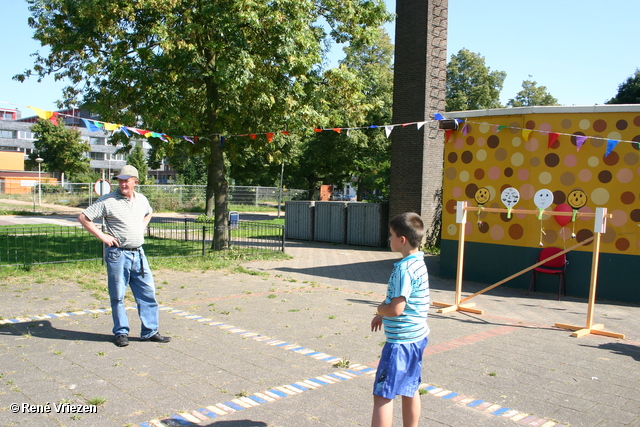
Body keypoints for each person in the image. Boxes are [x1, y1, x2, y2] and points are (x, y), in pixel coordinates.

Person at [78, 165, 170, 347]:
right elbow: (84, 217)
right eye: (120, 180)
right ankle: (121, 332)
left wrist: (141, 227)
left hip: (139, 254)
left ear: (135, 181)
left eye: (126, 180)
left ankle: (150, 331)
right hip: (117, 255)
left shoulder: (142, 199)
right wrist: (103, 236)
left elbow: (149, 212)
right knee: (118, 295)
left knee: (147, 293)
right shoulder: (108, 201)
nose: (122, 184)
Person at [370, 212, 430, 427]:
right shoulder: (418, 262)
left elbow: (396, 308)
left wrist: (379, 308)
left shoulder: (404, 269)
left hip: (400, 343)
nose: (389, 238)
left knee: (383, 396)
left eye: (391, 235)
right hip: (417, 338)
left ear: (401, 240)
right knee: (409, 388)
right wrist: (380, 315)